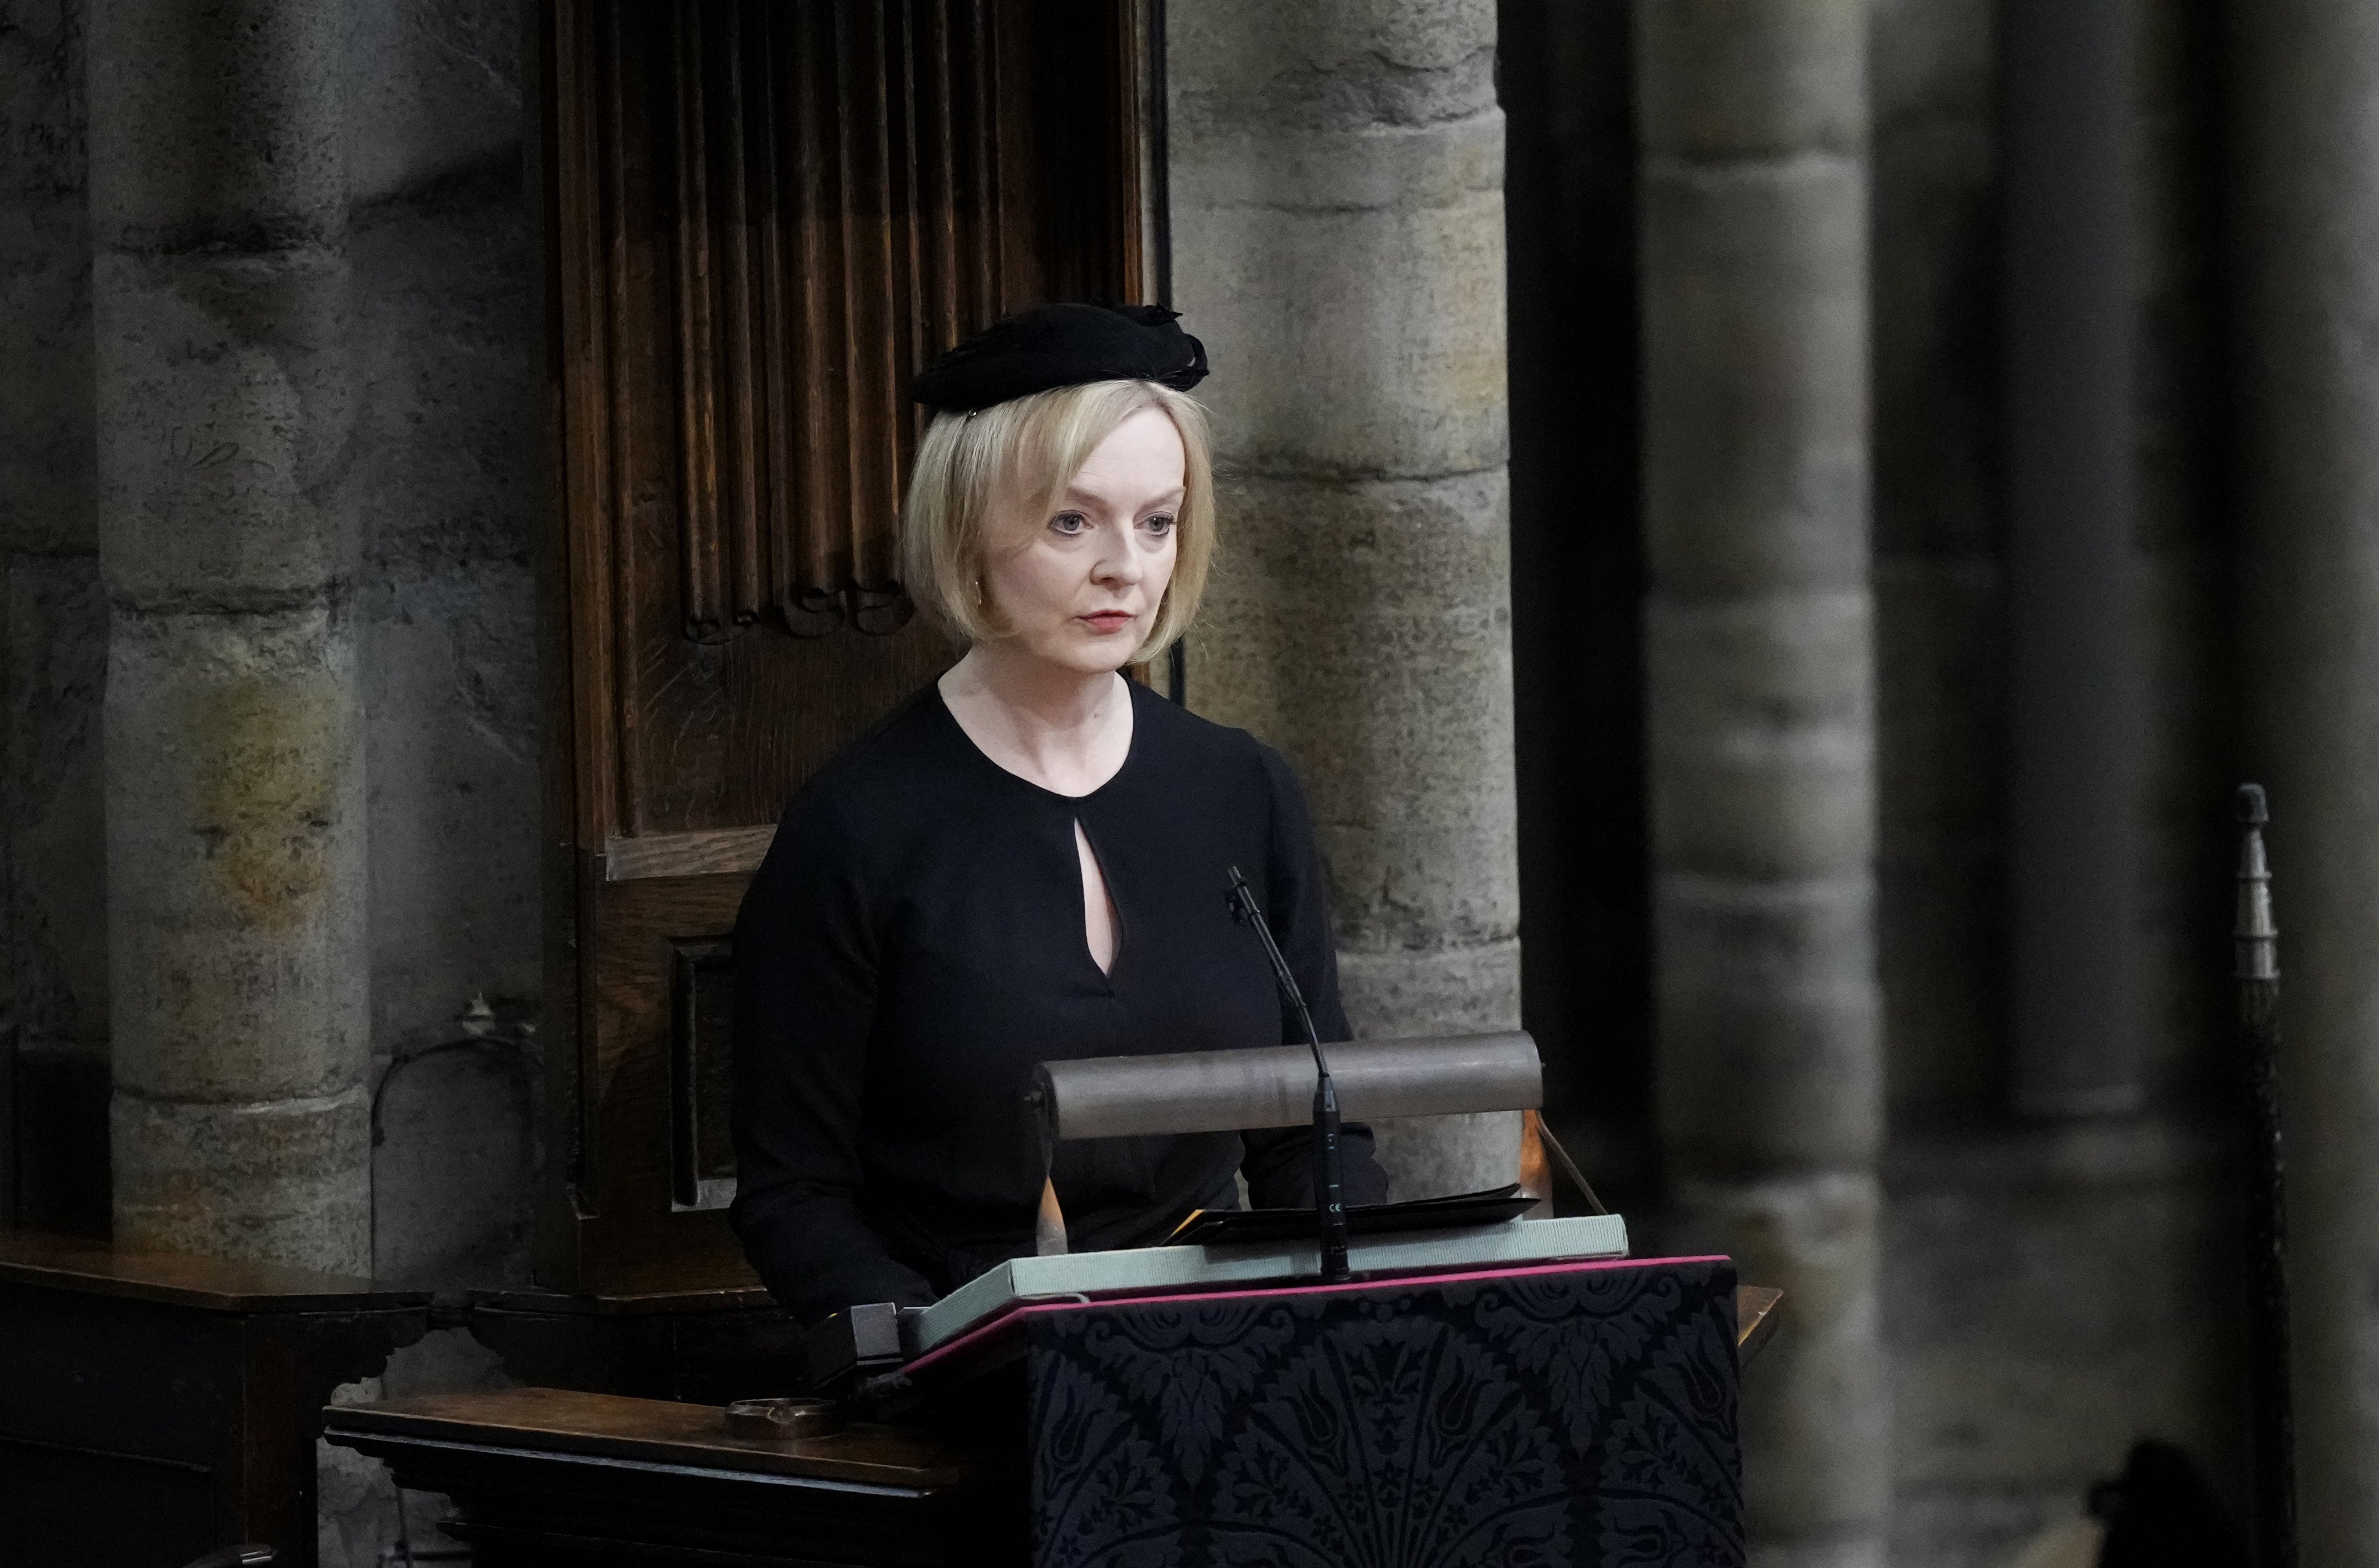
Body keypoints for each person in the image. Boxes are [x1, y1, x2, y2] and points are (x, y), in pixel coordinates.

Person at [730, 302, 1389, 1324]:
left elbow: (1316, 1136)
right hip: (971, 1375)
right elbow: (794, 1196)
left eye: (1157, 521)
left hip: (1234, 1352)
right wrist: (935, 1354)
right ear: (966, 526)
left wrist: (1343, 1323)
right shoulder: (858, 825)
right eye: (1070, 521)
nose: (1125, 565)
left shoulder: (1242, 788)